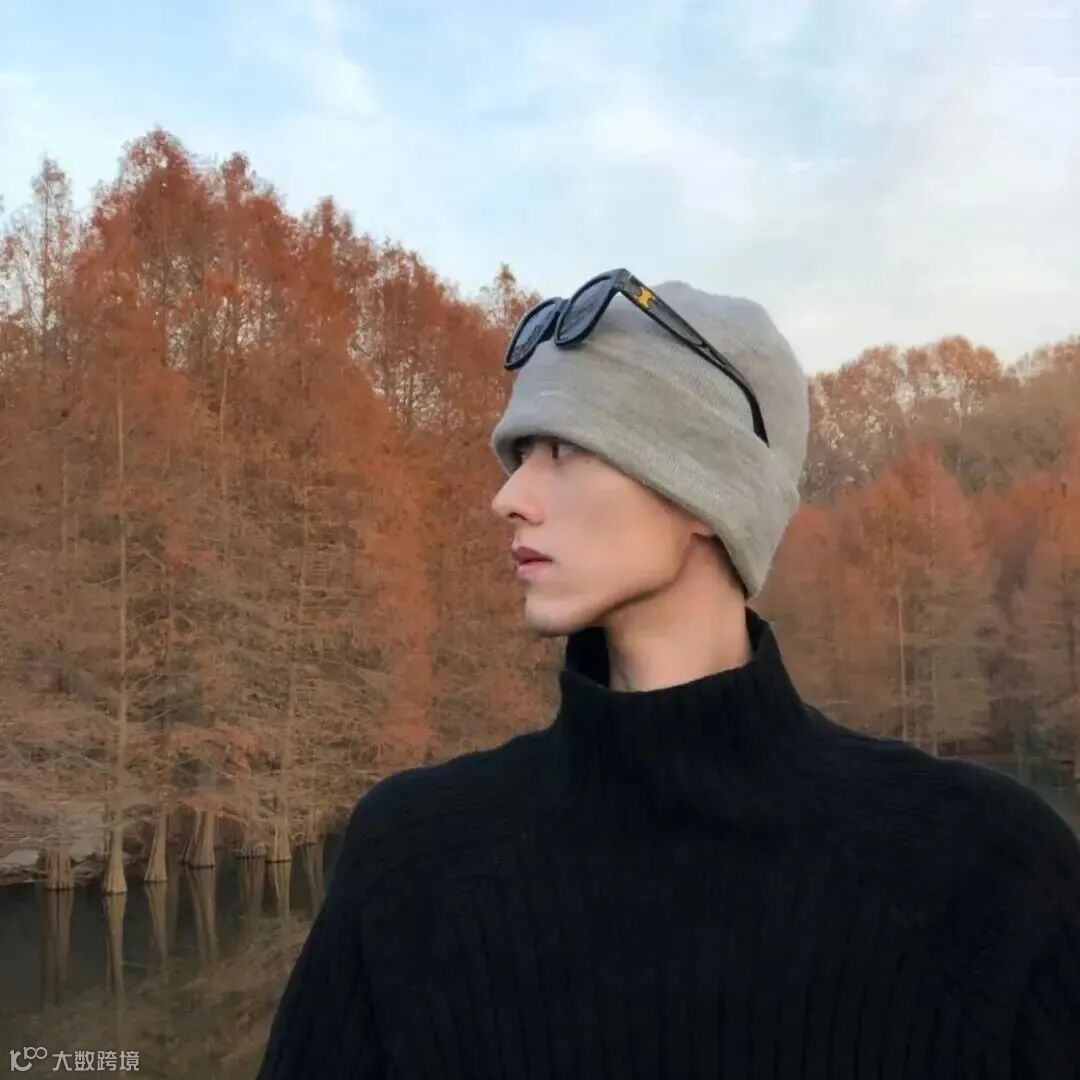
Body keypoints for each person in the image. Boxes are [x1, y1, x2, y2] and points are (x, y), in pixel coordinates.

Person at [256, 271, 1080, 1078]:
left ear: (706, 493)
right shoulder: (412, 864)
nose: (509, 496)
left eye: (563, 448)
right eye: (519, 454)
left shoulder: (987, 872)